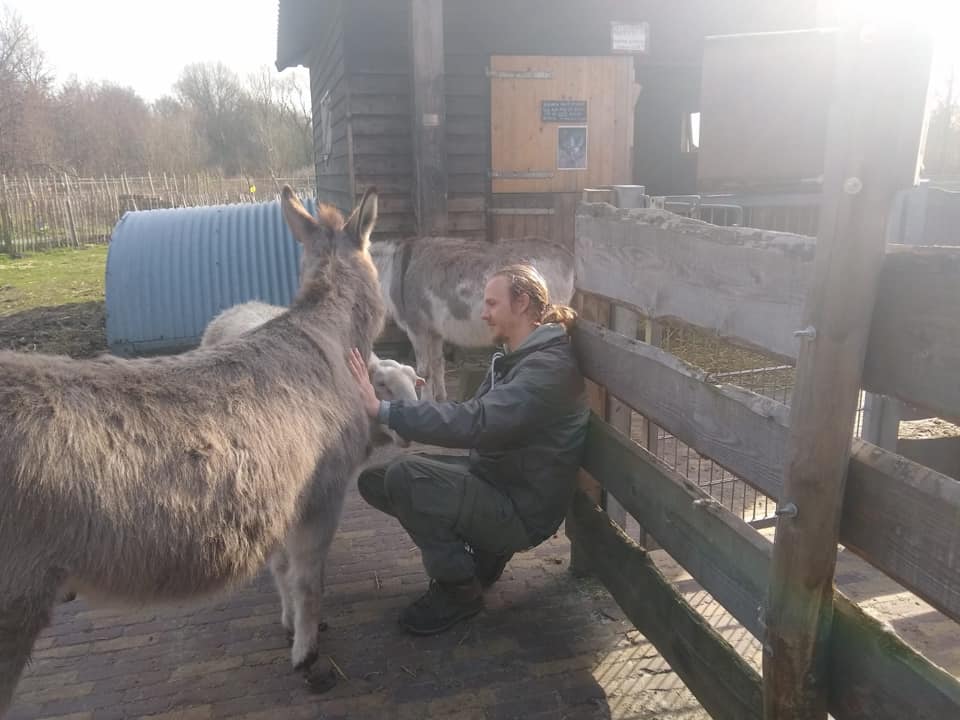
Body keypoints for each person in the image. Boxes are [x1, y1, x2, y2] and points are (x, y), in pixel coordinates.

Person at [347, 263, 590, 636]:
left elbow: (475, 422)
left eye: (492, 304)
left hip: (521, 511)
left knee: (405, 477)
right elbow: (472, 418)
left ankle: (458, 589)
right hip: (499, 483)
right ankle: (484, 552)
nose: (483, 313)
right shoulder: (518, 360)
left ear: (521, 303)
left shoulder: (546, 370)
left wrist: (385, 410)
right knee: (377, 480)